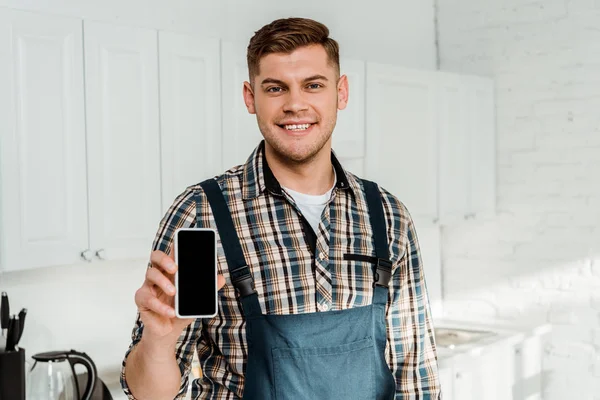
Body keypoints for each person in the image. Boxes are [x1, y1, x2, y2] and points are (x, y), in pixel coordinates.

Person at [120, 17, 442, 400]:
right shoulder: (202, 212)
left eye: (313, 85)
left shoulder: (387, 216)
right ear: (250, 97)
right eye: (275, 88)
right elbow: (148, 395)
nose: (295, 104)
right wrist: (158, 340)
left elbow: (416, 375)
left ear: (341, 92)